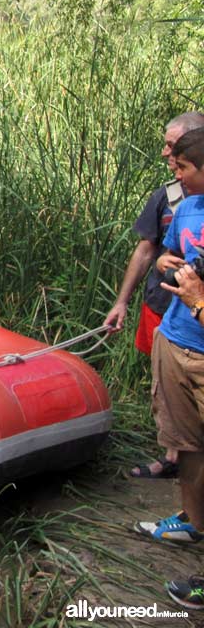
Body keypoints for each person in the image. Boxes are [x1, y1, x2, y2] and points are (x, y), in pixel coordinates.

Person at [128, 127, 204, 609]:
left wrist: (198, 301)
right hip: (175, 342)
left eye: (182, 167)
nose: (173, 174)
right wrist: (165, 267)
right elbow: (164, 255)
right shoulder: (188, 207)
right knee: (187, 444)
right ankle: (192, 525)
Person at [105, 112, 204, 478]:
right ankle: (173, 457)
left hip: (197, 318)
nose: (165, 154)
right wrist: (121, 301)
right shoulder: (168, 196)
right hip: (163, 308)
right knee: (164, 388)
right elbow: (148, 249)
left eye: (173, 147)